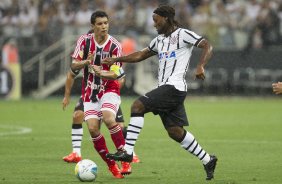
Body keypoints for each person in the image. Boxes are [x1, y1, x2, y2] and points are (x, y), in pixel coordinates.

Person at [103, 5, 217, 180]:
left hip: (174, 87)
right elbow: (141, 54)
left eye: (156, 21)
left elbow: (207, 45)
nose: (154, 24)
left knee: (137, 106)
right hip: (167, 88)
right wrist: (117, 59)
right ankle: (208, 159)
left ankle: (128, 151)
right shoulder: (159, 40)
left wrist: (201, 65)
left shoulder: (183, 34)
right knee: (175, 132)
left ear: (166, 18)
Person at [70, 10, 131, 179]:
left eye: (106, 23)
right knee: (92, 129)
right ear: (93, 26)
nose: (104, 26)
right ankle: (111, 165)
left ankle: (123, 154)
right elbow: (74, 66)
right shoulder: (84, 41)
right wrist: (86, 62)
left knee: (109, 118)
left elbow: (116, 74)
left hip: (109, 88)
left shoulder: (115, 46)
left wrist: (100, 73)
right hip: (90, 91)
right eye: (100, 24)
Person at [62, 71, 140, 163]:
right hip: (90, 95)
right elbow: (71, 72)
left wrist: (112, 90)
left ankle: (130, 153)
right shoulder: (86, 58)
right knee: (78, 116)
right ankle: (76, 153)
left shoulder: (110, 58)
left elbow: (121, 76)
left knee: (119, 126)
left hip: (107, 95)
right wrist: (66, 96)